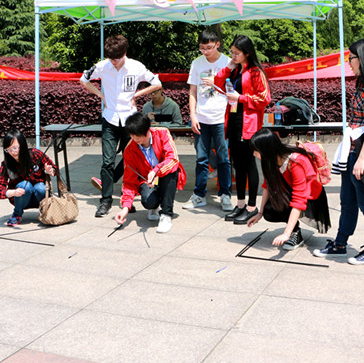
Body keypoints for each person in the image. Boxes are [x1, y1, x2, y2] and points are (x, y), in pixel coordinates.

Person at [313, 38, 364, 264]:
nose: (349, 62)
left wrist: (362, 158)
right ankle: (340, 243)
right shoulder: (362, 82)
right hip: (353, 149)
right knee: (347, 200)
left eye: (352, 58)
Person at [80, 35, 162, 217]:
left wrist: (137, 94)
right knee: (107, 161)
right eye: (111, 58)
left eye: (117, 58)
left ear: (125, 53)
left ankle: (127, 199)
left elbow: (157, 83)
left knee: (130, 161)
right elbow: (83, 79)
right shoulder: (102, 66)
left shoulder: (136, 66)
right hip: (109, 118)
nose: (114, 62)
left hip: (129, 120)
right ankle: (105, 200)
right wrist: (100, 95)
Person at [213, 35, 271, 224]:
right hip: (233, 120)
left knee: (249, 163)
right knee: (237, 164)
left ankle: (252, 207)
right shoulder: (235, 70)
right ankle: (240, 205)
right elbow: (218, 84)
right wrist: (228, 67)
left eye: (237, 53)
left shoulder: (256, 72)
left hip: (249, 123)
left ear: (247, 53)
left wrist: (241, 98)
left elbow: (265, 98)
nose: (233, 56)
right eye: (232, 52)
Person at [247, 128, 331, 249]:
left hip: (310, 196)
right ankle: (293, 229)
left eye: (256, 151)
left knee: (282, 205)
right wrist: (260, 213)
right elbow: (268, 185)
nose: (254, 154)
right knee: (268, 211)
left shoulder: (296, 162)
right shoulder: (271, 160)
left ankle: (294, 233)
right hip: (291, 191)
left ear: (266, 150)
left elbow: (299, 199)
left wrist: (286, 233)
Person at [183, 29, 233, 212]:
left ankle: (225, 195)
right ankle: (199, 195)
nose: (206, 51)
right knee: (201, 159)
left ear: (217, 44)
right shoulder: (197, 63)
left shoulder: (228, 63)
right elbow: (192, 91)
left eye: (209, 47)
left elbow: (233, 91)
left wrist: (216, 83)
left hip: (221, 117)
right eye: (202, 48)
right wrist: (193, 115)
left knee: (223, 158)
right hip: (201, 117)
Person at [114, 112, 186, 233]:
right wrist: (125, 208)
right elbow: (129, 181)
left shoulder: (163, 133)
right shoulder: (130, 149)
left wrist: (155, 171)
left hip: (165, 173)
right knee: (148, 201)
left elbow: (173, 159)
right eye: (132, 135)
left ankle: (166, 215)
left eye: (138, 135)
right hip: (146, 180)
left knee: (171, 171)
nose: (135, 139)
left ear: (148, 130)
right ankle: (153, 207)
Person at [0, 128, 57, 226]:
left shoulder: (36, 154)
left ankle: (45, 211)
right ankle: (17, 213)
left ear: (23, 145)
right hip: (21, 198)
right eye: (8, 149)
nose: (13, 152)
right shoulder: (6, 164)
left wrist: (50, 171)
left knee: (40, 187)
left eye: (15, 148)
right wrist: (13, 192)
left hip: (40, 196)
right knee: (24, 186)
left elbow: (54, 169)